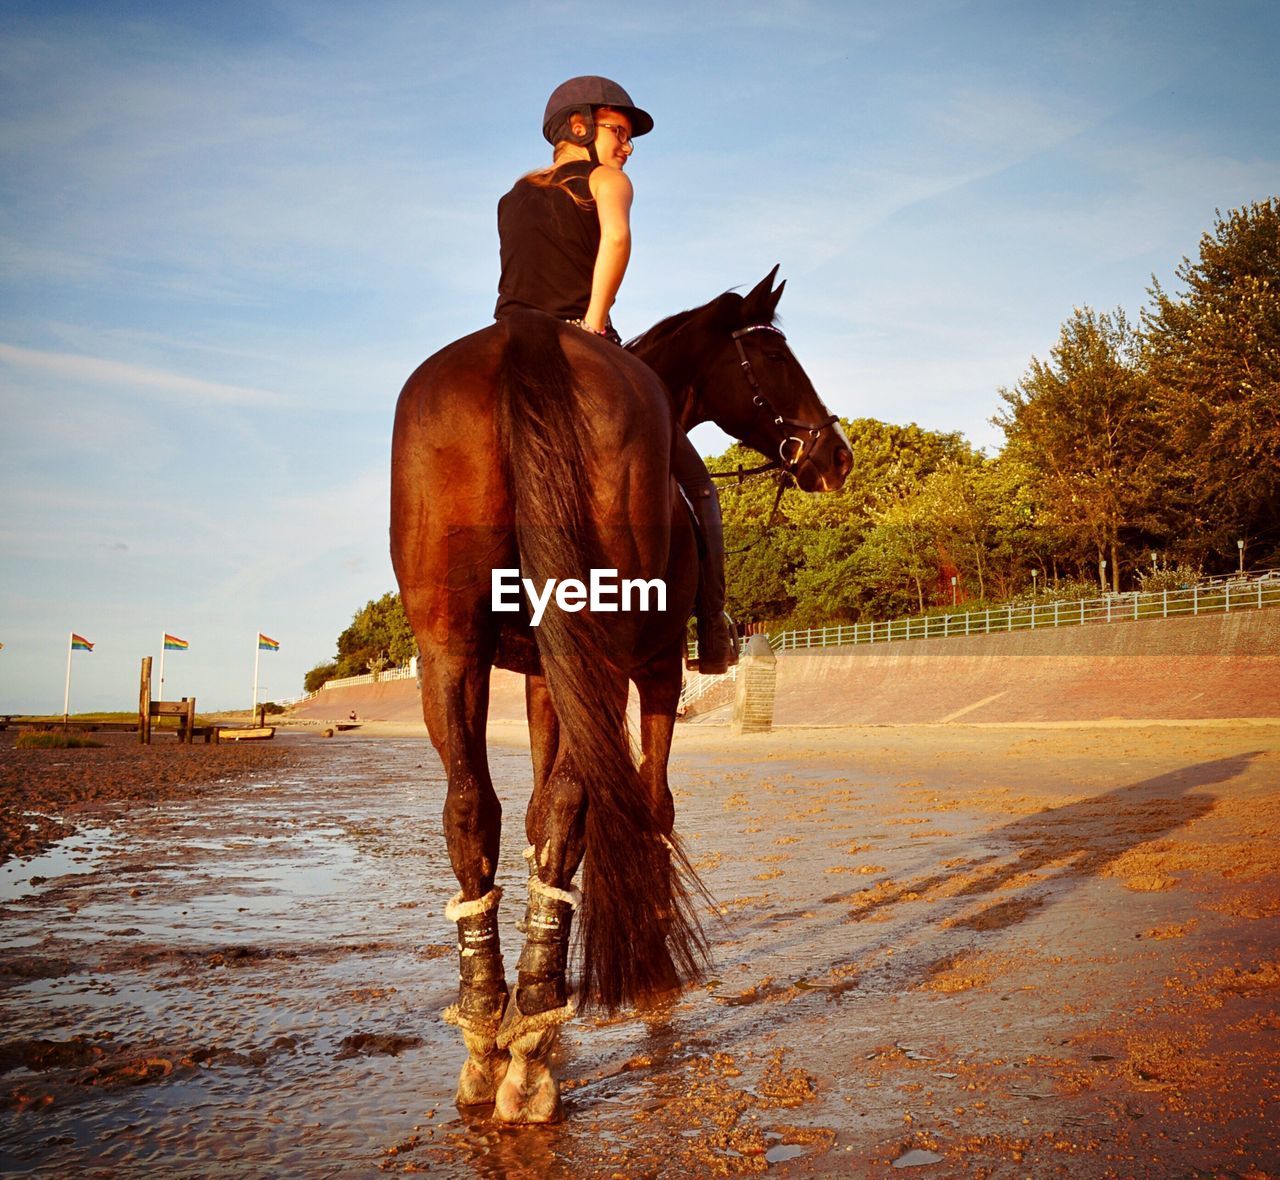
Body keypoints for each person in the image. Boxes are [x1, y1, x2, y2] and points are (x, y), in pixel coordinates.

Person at [493, 75, 736, 674]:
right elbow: (617, 240)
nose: (627, 147)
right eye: (618, 132)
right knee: (698, 485)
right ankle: (711, 628)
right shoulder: (608, 181)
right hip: (578, 332)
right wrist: (594, 324)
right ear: (580, 126)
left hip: (507, 338)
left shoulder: (513, 195)